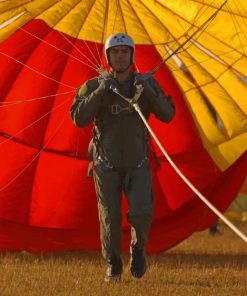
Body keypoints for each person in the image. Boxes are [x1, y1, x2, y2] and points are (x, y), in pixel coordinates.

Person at [70, 33, 175, 282]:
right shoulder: (94, 86)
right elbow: (78, 118)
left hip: (138, 163)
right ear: (108, 56)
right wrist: (101, 91)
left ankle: (138, 251)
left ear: (132, 55)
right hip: (106, 165)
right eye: (115, 52)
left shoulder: (144, 84)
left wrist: (148, 89)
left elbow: (168, 115)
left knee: (142, 213)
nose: (120, 56)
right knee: (110, 218)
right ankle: (114, 264)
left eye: (124, 52)